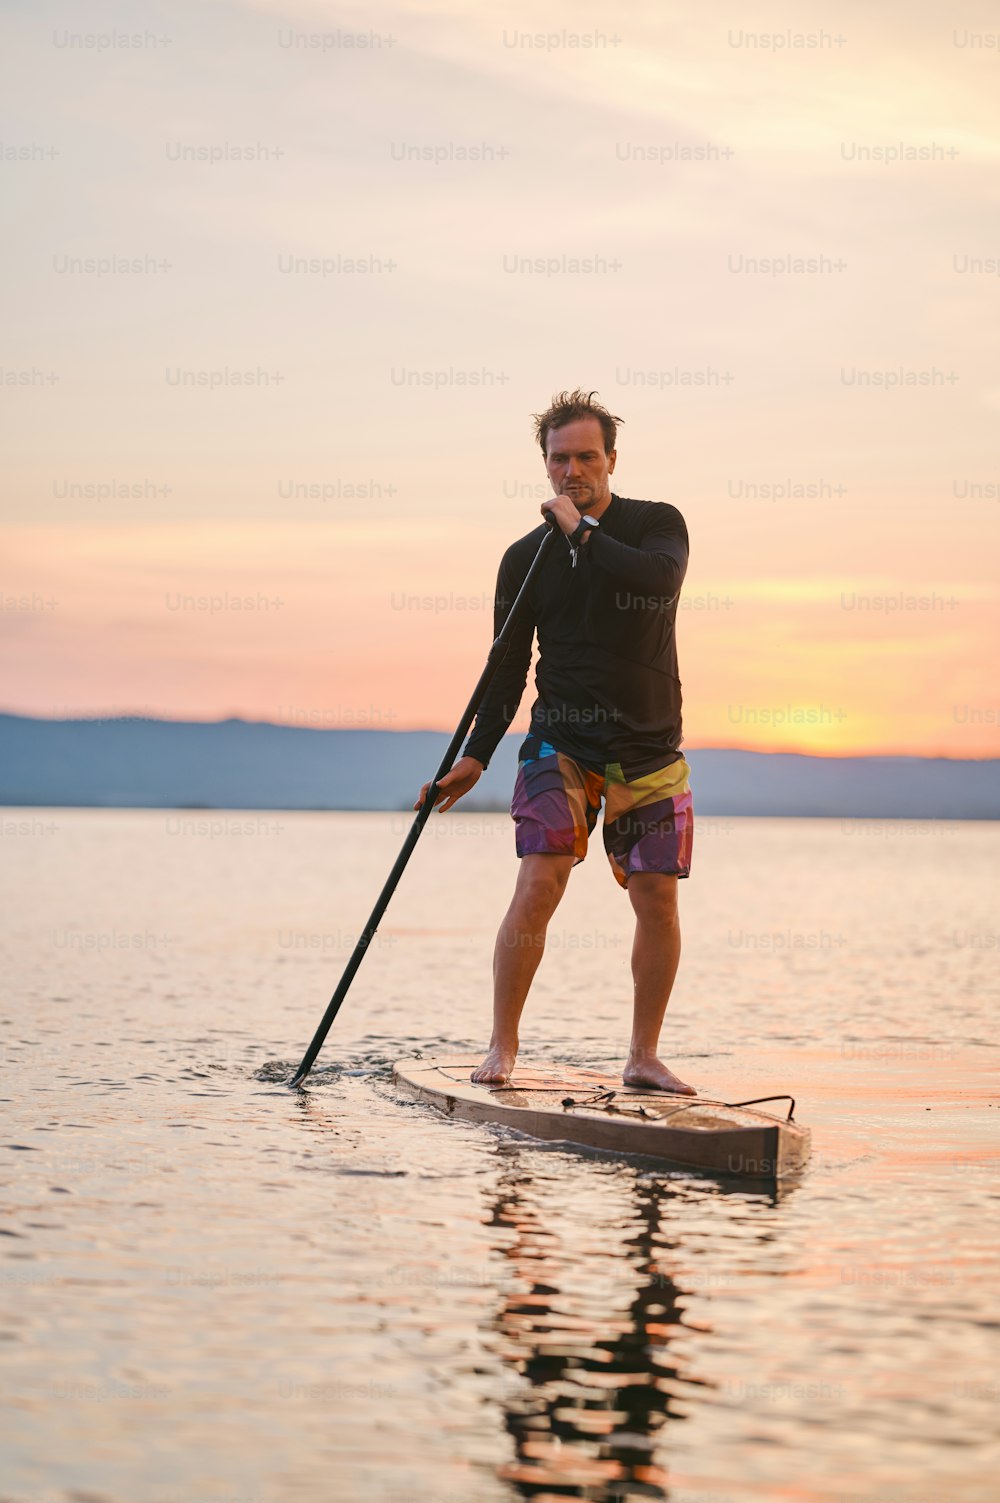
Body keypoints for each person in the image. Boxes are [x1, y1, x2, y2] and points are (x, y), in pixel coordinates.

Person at [414, 389, 694, 1092]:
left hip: (650, 746)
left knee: (657, 895)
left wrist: (582, 534)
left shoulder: (657, 525)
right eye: (560, 458)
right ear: (543, 465)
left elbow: (657, 585)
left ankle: (643, 1057)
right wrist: (474, 755)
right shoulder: (525, 559)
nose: (574, 469)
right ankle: (502, 1046)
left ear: (612, 460)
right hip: (559, 740)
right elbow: (505, 665)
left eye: (587, 457)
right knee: (540, 878)